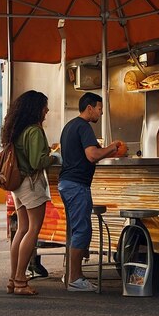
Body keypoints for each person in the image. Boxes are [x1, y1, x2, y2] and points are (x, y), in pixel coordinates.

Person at [1, 90, 60, 296]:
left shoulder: (16, 129)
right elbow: (38, 162)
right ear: (36, 109)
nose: (47, 110)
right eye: (44, 106)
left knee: (22, 229)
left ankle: (13, 279)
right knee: (33, 229)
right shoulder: (34, 131)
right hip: (31, 183)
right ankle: (20, 280)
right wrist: (55, 158)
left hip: (17, 186)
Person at [59, 92, 119, 291]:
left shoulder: (70, 126)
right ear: (90, 108)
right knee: (82, 230)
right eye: (99, 109)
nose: (101, 113)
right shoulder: (84, 126)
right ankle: (75, 279)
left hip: (67, 184)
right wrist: (112, 147)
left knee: (76, 230)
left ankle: (71, 274)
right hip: (77, 185)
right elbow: (92, 155)